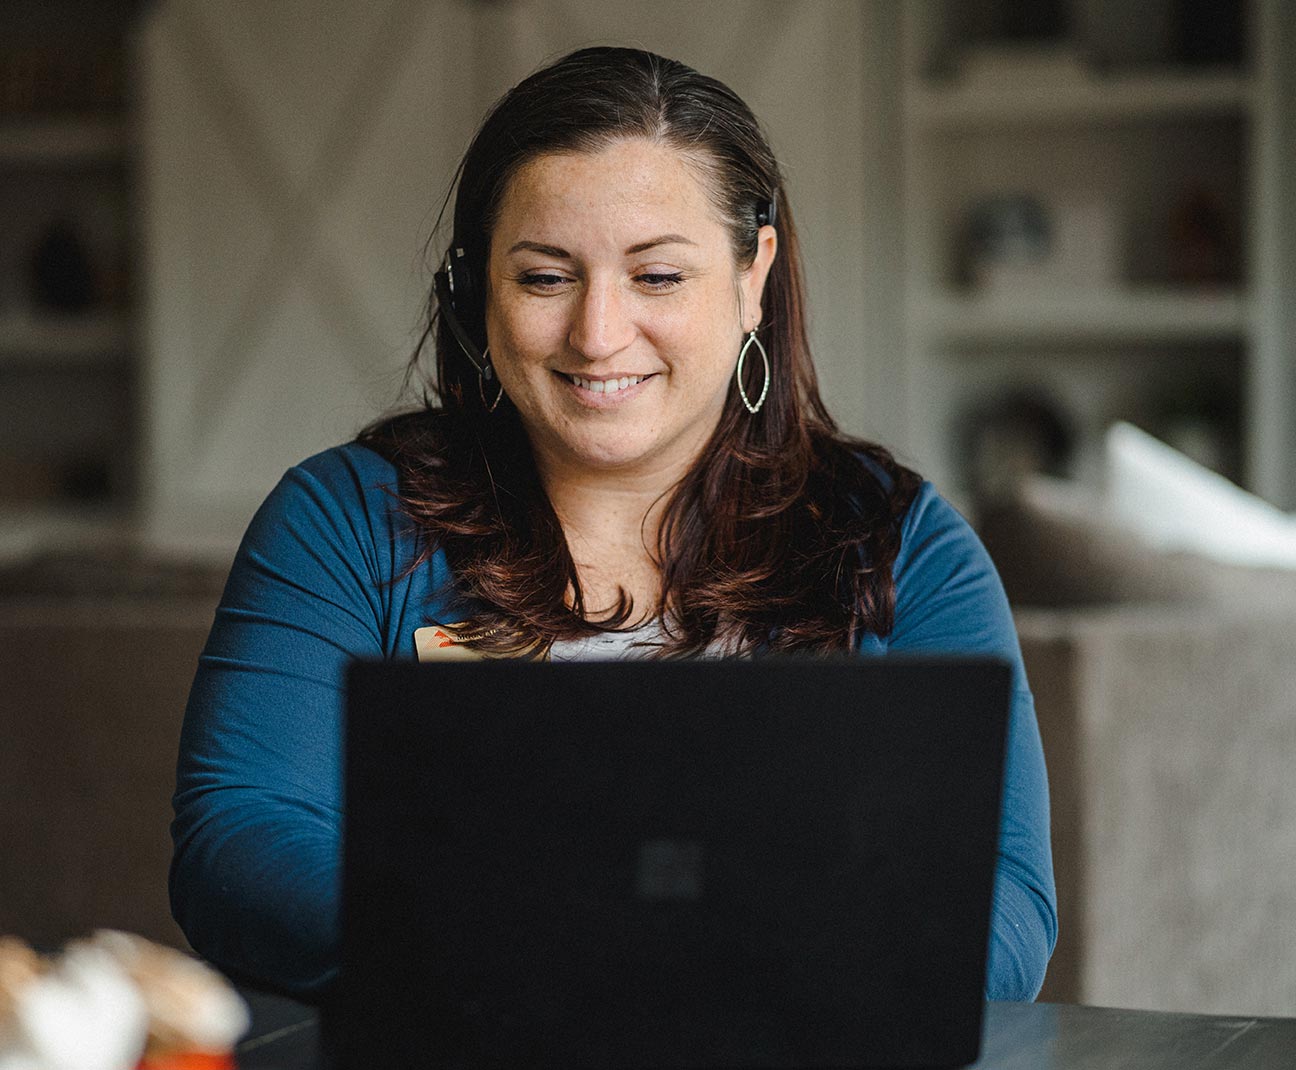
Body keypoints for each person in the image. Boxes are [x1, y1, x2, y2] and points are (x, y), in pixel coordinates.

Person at [170, 46, 1056, 1002]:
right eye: (547, 277)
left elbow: (1000, 907)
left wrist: (673, 970)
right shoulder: (341, 519)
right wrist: (559, 951)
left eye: (659, 277)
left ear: (752, 275)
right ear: (479, 289)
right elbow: (243, 840)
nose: (598, 333)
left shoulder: (897, 543)